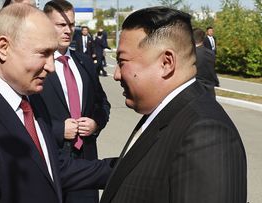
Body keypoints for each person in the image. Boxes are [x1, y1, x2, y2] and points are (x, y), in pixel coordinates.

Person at [0, 4, 114, 203]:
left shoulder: (31, 101)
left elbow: (53, 168)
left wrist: (123, 167)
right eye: (43, 53)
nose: (51, 67)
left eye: (52, 54)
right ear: (4, 48)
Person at [100, 7, 246, 203]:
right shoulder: (167, 111)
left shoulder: (206, 134)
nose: (116, 74)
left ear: (166, 63)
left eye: (122, 61)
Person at [41, 1, 111, 203]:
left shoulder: (84, 62)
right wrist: (57, 129)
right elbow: (22, 113)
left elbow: (102, 104)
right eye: (60, 25)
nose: (68, 30)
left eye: (71, 25)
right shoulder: (35, 65)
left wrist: (96, 123)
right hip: (52, 162)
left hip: (86, 162)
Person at [193, 28, 219, 97]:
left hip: (196, 89)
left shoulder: (191, 53)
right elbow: (212, 69)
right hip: (209, 88)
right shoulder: (211, 53)